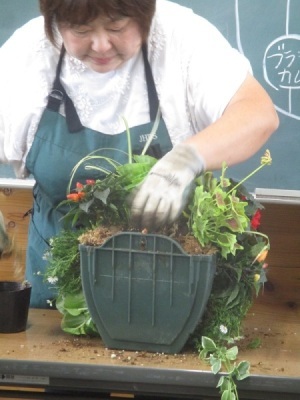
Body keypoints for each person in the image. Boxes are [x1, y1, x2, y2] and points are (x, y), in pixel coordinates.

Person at [0, 0, 279, 308]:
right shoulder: (28, 55)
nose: (101, 44)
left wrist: (185, 159)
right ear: (55, 21)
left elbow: (258, 114)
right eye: (80, 29)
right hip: (57, 303)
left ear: (144, 13)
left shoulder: (180, 39)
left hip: (169, 297)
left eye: (117, 27)